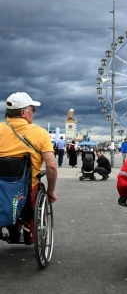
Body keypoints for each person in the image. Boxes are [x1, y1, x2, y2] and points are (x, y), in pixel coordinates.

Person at [0, 92, 57, 240]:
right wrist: (51, 191)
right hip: (25, 191)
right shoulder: (39, 133)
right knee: (35, 187)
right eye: (32, 110)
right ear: (24, 112)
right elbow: (51, 166)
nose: (33, 114)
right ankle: (27, 230)